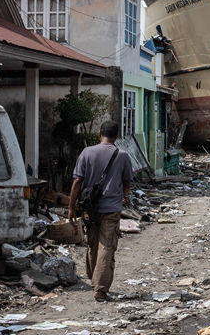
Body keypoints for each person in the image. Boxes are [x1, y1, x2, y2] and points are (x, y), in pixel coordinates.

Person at [68, 121, 135, 302]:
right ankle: (101, 288)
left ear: (100, 133)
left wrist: (71, 207)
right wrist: (124, 195)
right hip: (111, 208)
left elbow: (77, 182)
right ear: (117, 136)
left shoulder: (86, 152)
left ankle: (94, 280)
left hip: (90, 208)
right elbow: (127, 182)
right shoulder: (122, 156)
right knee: (107, 245)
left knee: (93, 243)